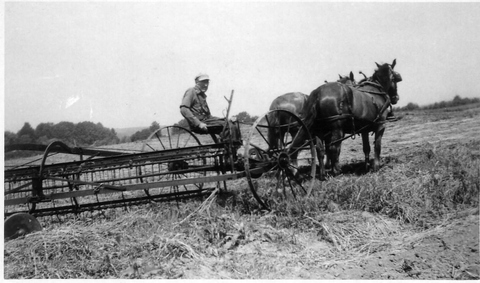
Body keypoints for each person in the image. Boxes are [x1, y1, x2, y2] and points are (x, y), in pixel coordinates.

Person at [180, 73, 241, 144]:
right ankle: (229, 149)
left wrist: (226, 119)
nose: (206, 85)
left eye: (207, 82)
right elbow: (183, 109)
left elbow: (209, 116)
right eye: (203, 82)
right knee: (227, 125)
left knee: (232, 122)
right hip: (199, 124)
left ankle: (233, 146)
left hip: (206, 121)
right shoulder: (191, 91)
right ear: (196, 82)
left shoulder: (202, 96)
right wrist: (199, 123)